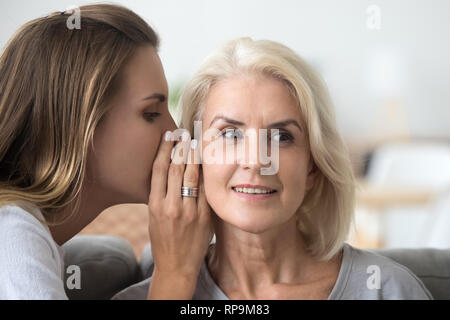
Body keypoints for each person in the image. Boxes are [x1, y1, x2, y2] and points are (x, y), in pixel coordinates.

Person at [113, 38, 433, 299]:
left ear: (313, 168)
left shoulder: (389, 290)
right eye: (230, 134)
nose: (256, 160)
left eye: (282, 136)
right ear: (193, 158)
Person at [0, 4, 211, 299]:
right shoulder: (13, 240)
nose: (176, 133)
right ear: (78, 125)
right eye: (151, 112)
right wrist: (175, 272)